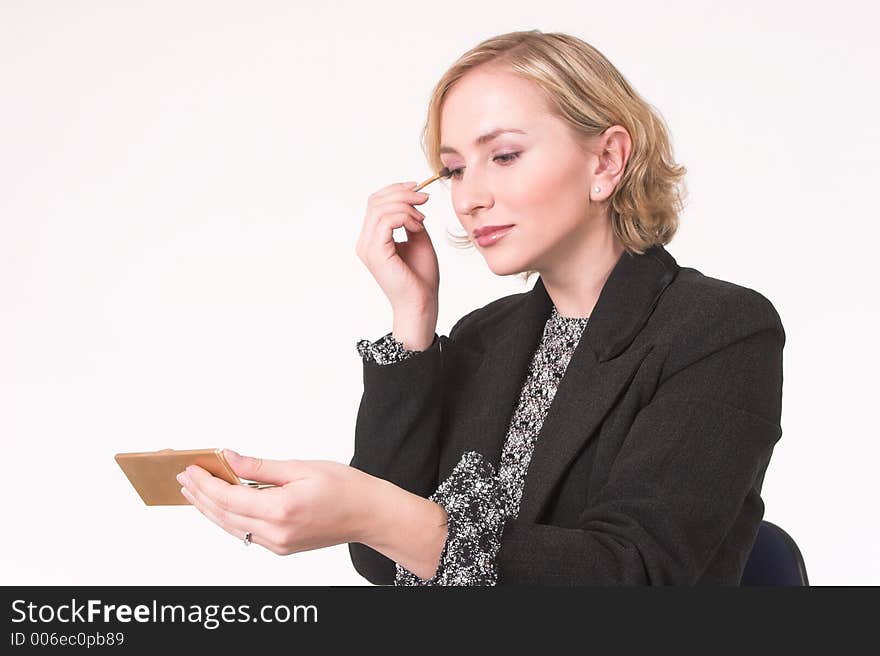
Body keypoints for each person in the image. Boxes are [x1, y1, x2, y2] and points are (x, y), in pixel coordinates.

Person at [177, 30, 785, 586]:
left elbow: (636, 575)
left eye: (505, 155)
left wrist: (371, 511)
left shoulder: (720, 331)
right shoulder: (485, 335)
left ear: (606, 161)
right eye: (454, 170)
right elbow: (380, 559)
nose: (469, 198)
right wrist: (413, 324)